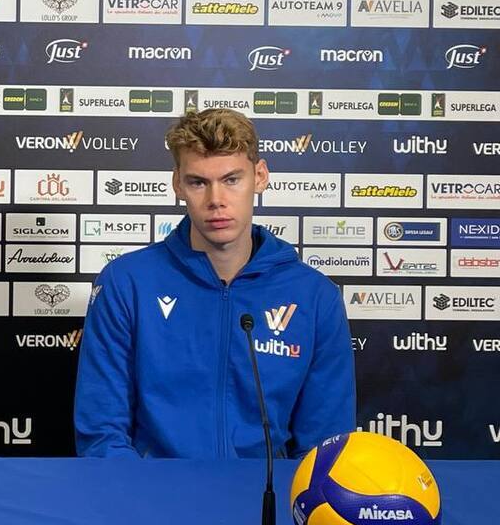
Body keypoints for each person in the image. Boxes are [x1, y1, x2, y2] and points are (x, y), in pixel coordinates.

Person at [75, 108, 355, 458]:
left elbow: (324, 447)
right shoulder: (126, 283)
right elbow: (102, 434)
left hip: (268, 491)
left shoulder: (315, 296)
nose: (216, 201)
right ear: (178, 184)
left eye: (231, 180)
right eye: (198, 183)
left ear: (260, 176)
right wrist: (142, 489)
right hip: (152, 489)